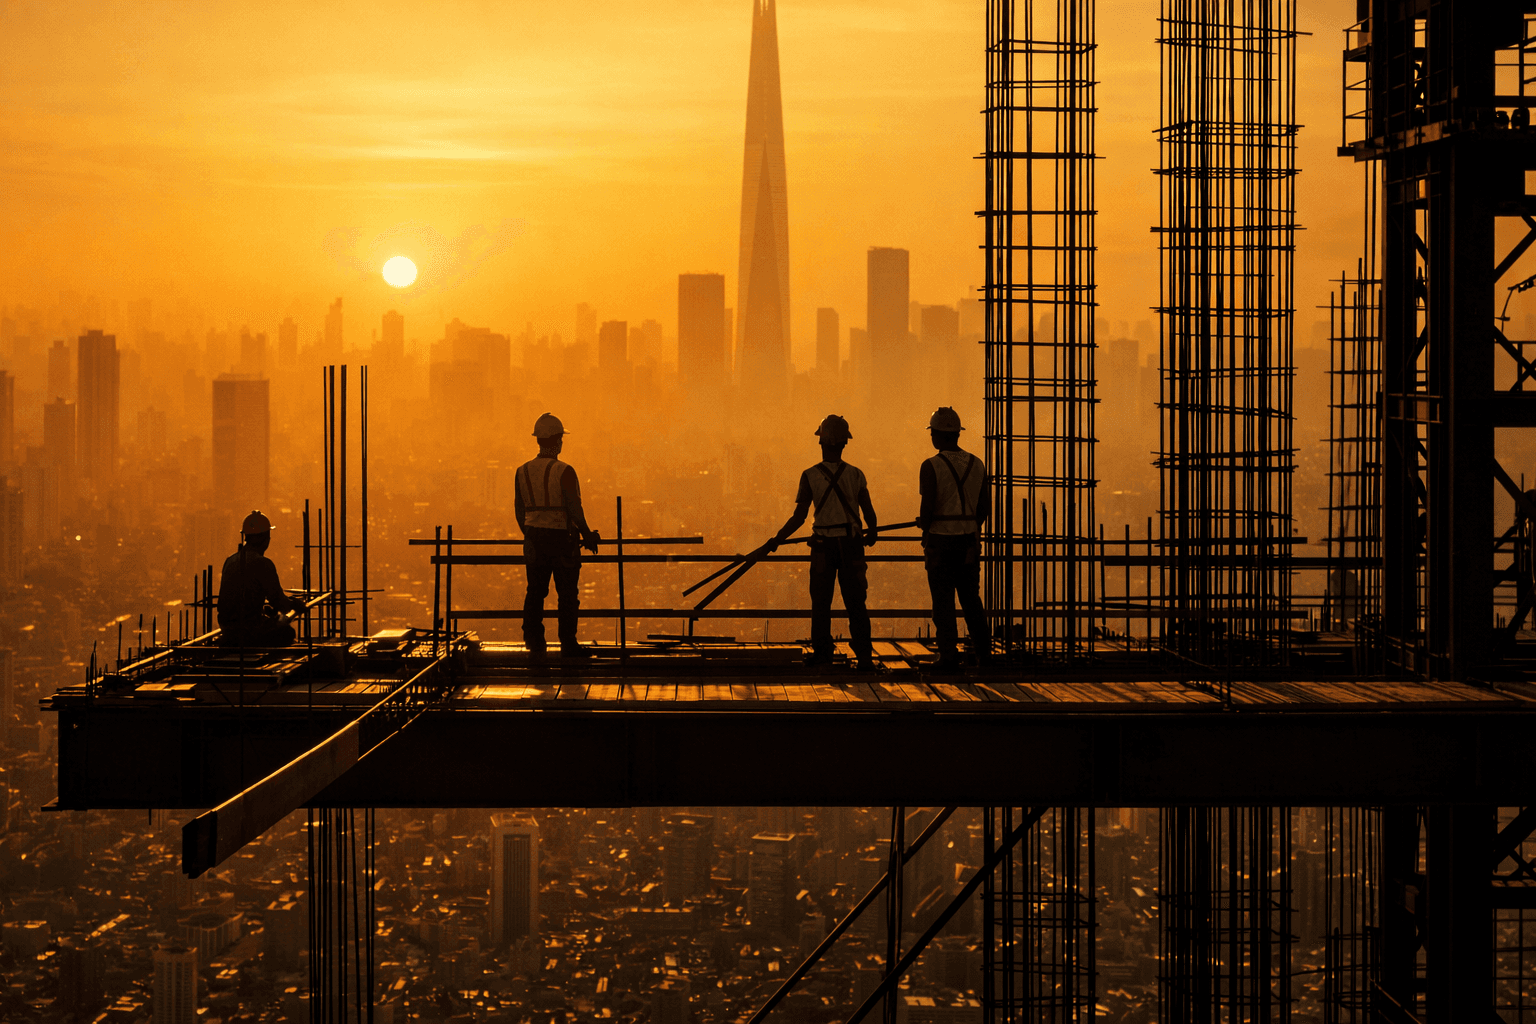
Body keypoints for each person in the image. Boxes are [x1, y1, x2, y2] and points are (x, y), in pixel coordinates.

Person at [768, 414, 878, 670]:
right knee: (856, 604)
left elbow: (799, 518)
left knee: (821, 603)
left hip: (823, 548)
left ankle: (823, 655)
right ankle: (864, 657)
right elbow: (869, 512)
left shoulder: (810, 476)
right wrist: (871, 532)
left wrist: (776, 540)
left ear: (821, 443)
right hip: (851, 546)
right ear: (843, 444)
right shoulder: (856, 475)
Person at [515, 412, 601, 657]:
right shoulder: (564, 471)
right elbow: (575, 509)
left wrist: (531, 534)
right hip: (562, 540)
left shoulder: (522, 471)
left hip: (533, 538)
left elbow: (519, 510)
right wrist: (587, 534)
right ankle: (568, 644)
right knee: (567, 595)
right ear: (557, 441)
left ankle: (534, 642)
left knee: (535, 591)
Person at [917, 407, 991, 670]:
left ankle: (948, 655)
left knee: (943, 601)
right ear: (957, 434)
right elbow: (984, 509)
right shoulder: (978, 464)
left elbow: (927, 512)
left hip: (941, 543)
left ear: (936, 435)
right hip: (969, 542)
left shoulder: (931, 466)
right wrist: (966, 525)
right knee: (972, 600)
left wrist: (925, 525)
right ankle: (984, 654)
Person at [217, 510, 306, 647]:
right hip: (247, 632)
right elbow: (279, 601)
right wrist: (295, 604)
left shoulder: (230, 561)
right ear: (265, 538)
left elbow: (239, 598)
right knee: (287, 633)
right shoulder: (263, 563)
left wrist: (264, 610)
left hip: (228, 630)